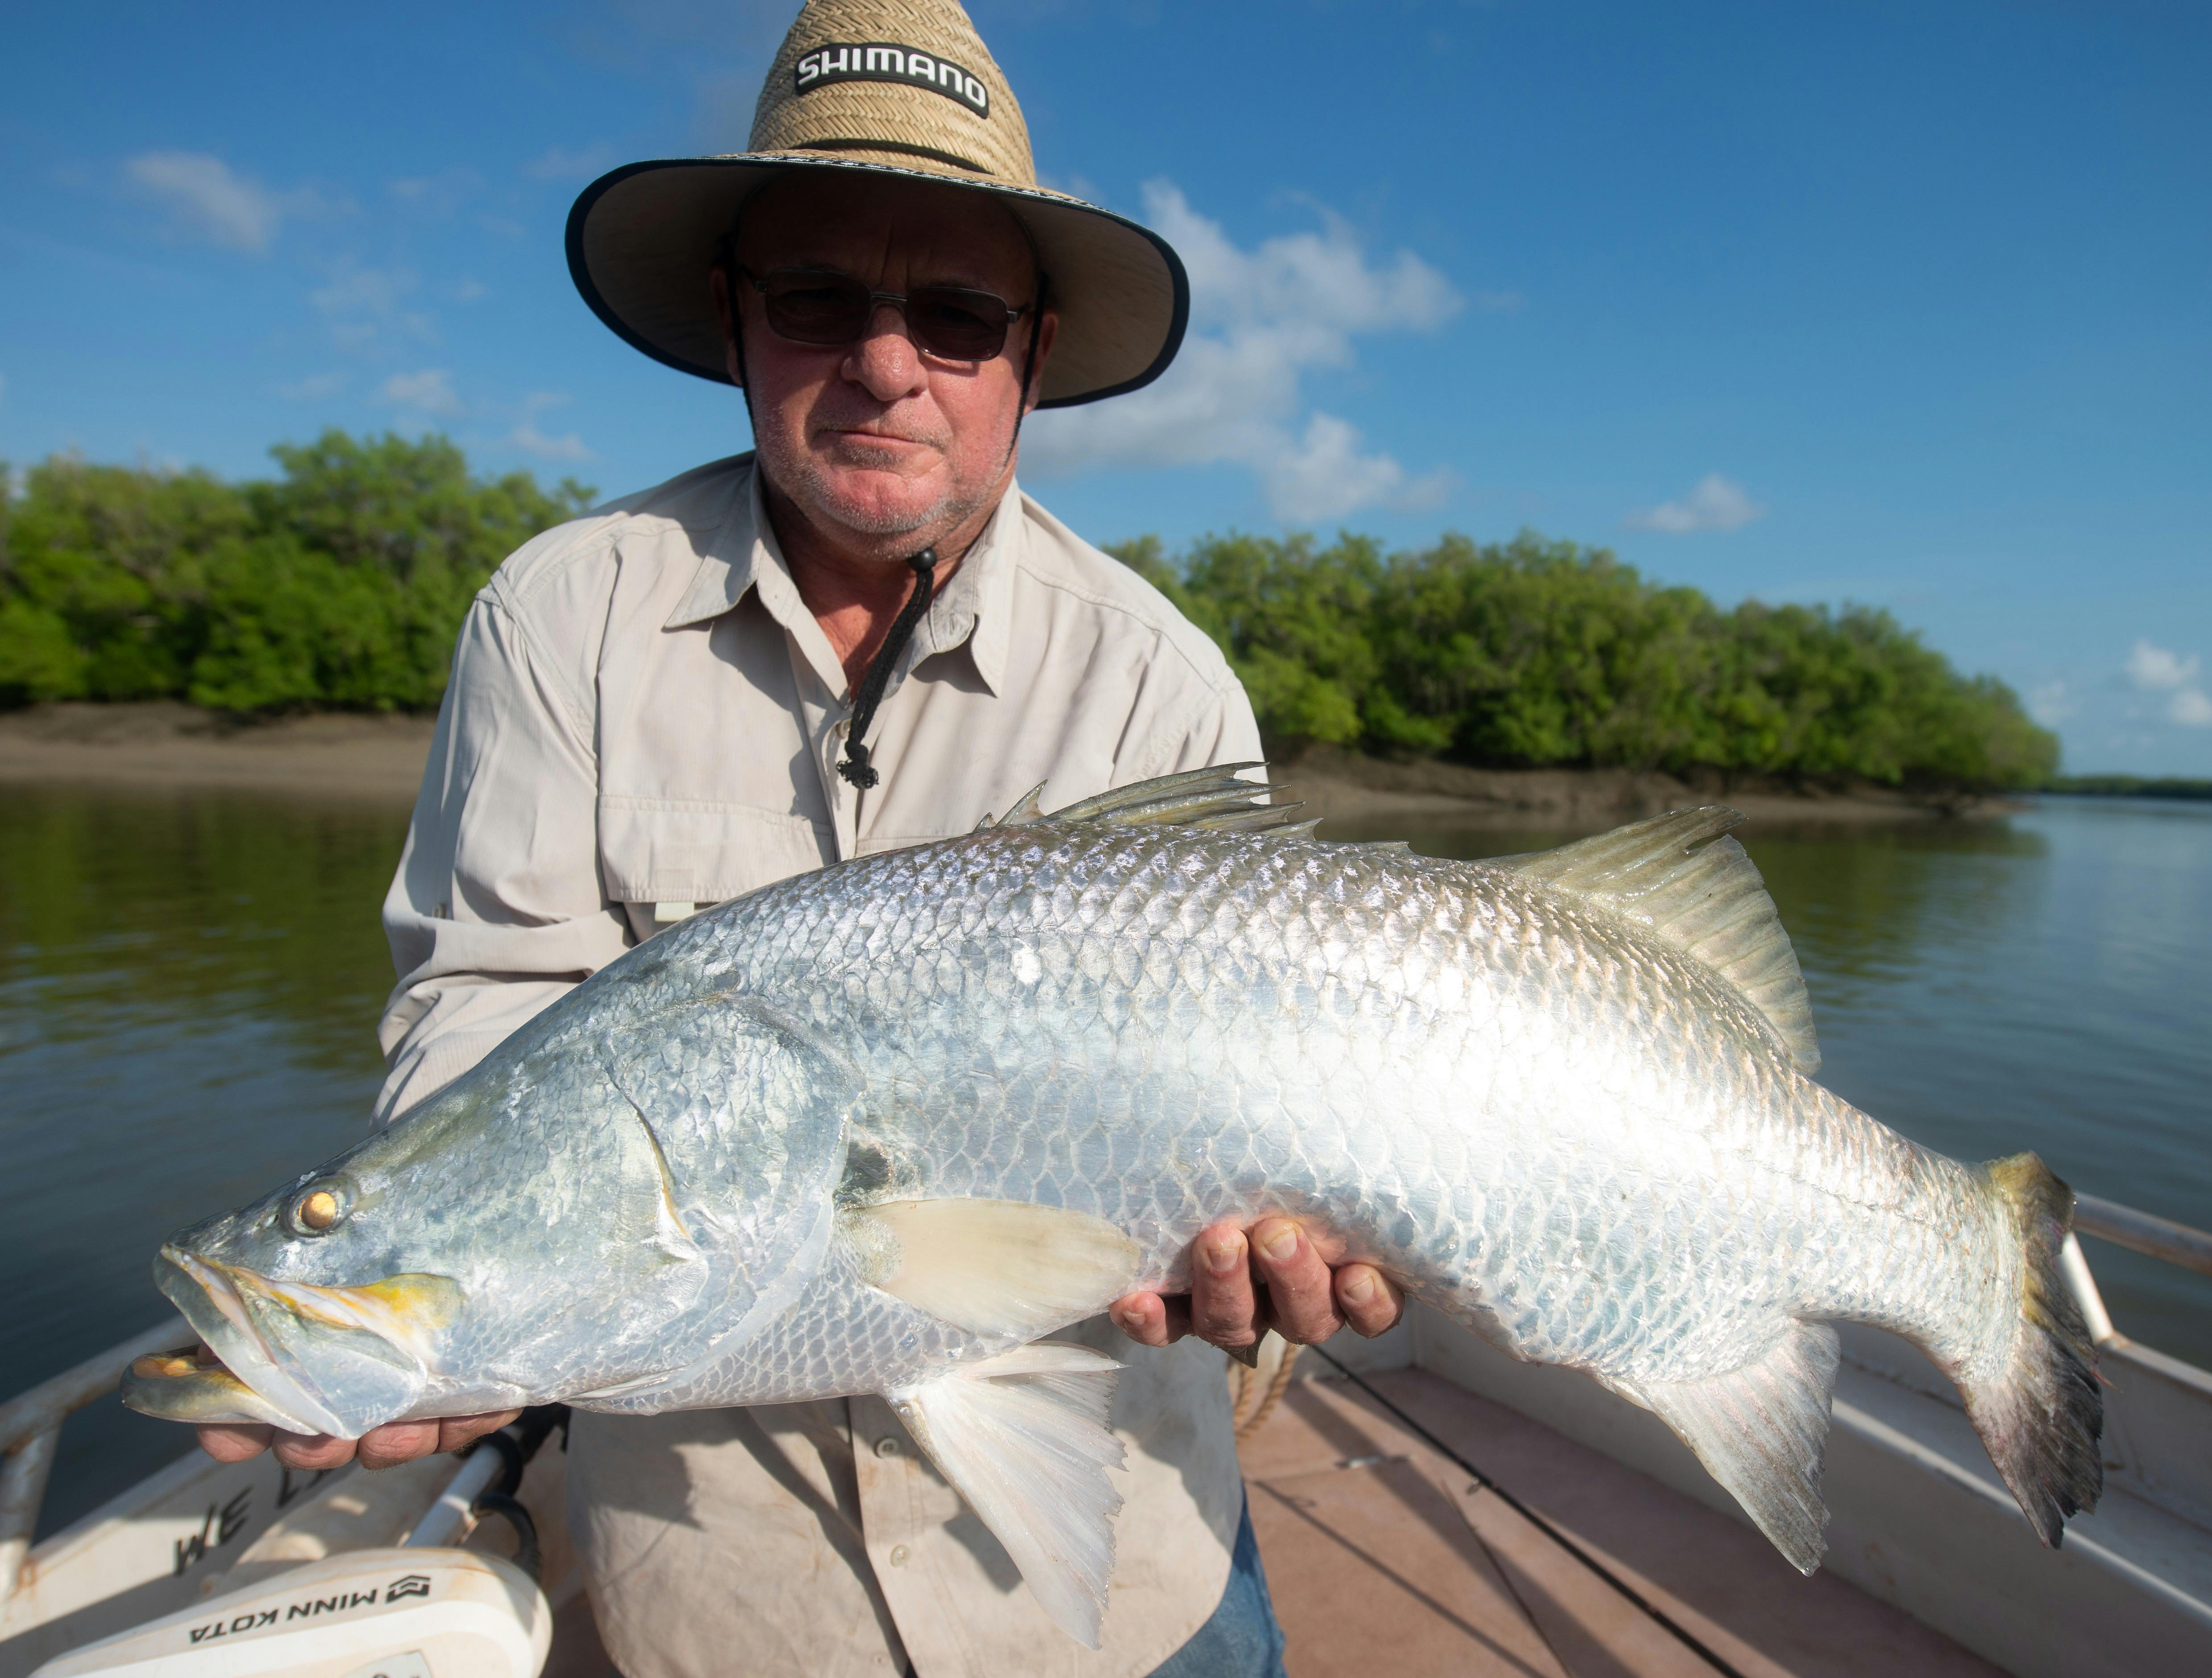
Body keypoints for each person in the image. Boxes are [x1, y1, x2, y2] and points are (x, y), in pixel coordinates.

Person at [196, 3, 1403, 1673]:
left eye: (959, 314)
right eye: (820, 297)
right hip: (724, 1577)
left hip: (1120, 1570)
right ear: (735, 320)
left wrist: (1278, 1267)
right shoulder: (563, 613)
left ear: (1033, 354)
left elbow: (1264, 1149)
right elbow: (483, 1002)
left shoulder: (1160, 678)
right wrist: (446, 1295)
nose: (886, 361)